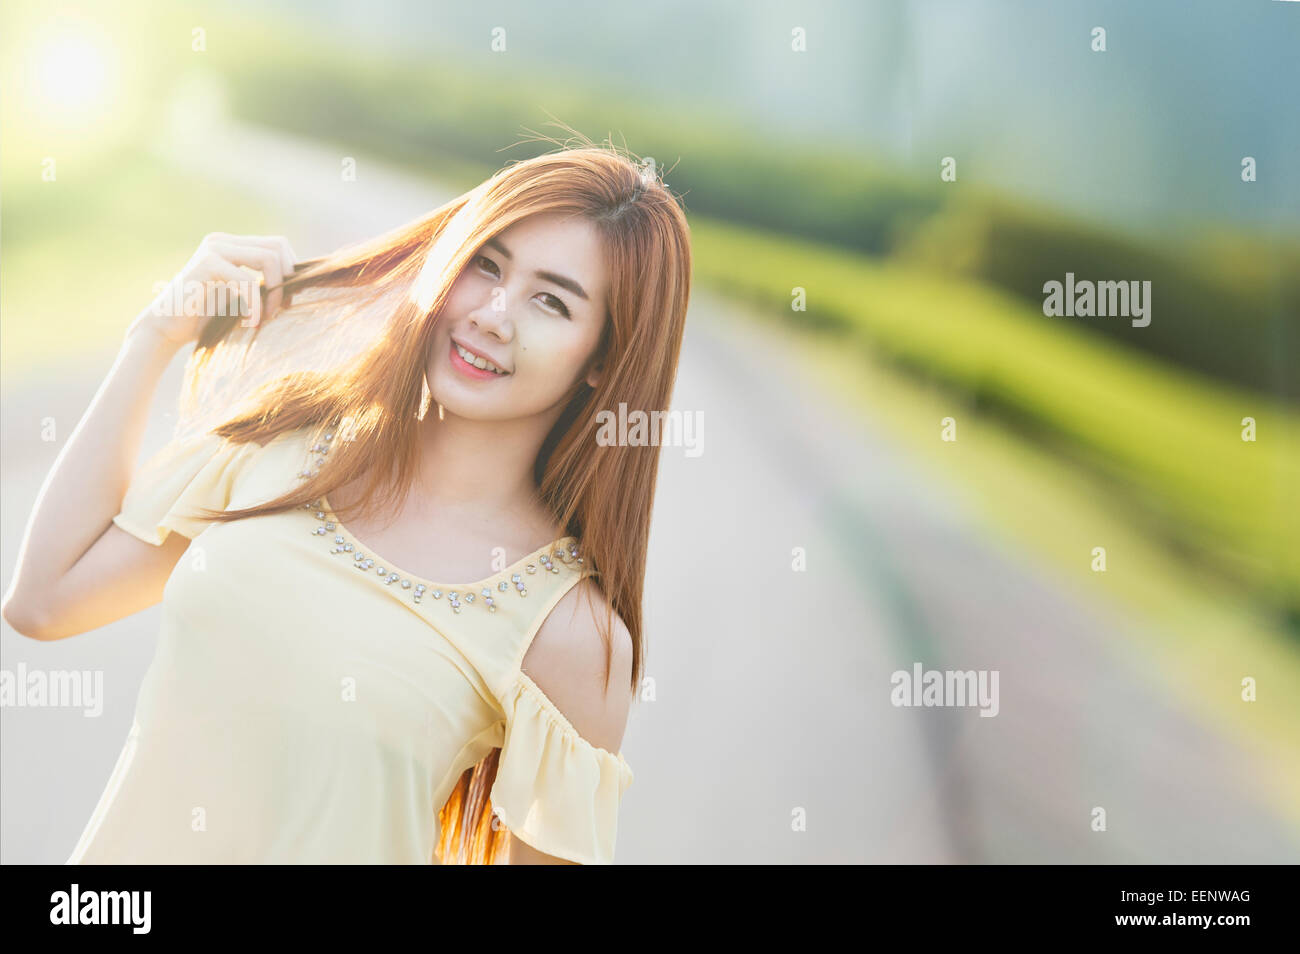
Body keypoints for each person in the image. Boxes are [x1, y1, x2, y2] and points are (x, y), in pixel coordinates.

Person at [2, 141, 692, 864]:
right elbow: (45, 600)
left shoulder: (569, 633)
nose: (493, 314)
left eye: (551, 301)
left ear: (605, 362)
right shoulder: (284, 448)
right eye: (486, 264)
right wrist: (152, 336)